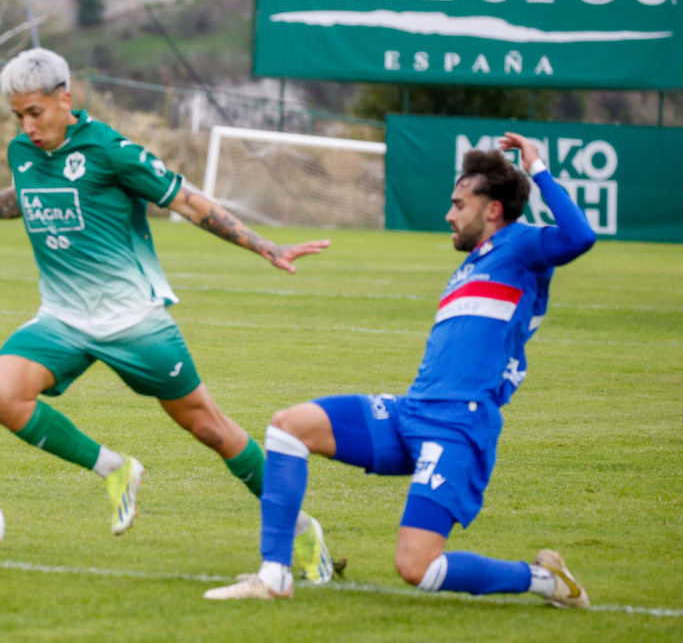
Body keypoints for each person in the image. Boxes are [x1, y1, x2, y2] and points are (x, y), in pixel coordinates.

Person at [0, 48, 336, 583]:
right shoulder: (22, 152)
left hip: (134, 321)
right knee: (2, 395)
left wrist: (264, 246)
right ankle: (117, 471)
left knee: (210, 428)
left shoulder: (112, 150)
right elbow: (25, 196)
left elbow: (187, 202)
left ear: (65, 99)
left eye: (35, 113)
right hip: (63, 318)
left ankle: (301, 529)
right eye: (17, 116)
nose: (26, 127)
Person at [204, 132, 597, 604]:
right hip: (412, 412)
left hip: (458, 426)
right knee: (288, 428)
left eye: (458, 204)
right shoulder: (472, 265)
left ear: (492, 209)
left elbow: (580, 236)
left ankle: (545, 580)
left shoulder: (523, 249)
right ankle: (274, 577)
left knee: (417, 568)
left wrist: (537, 167)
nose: (448, 214)